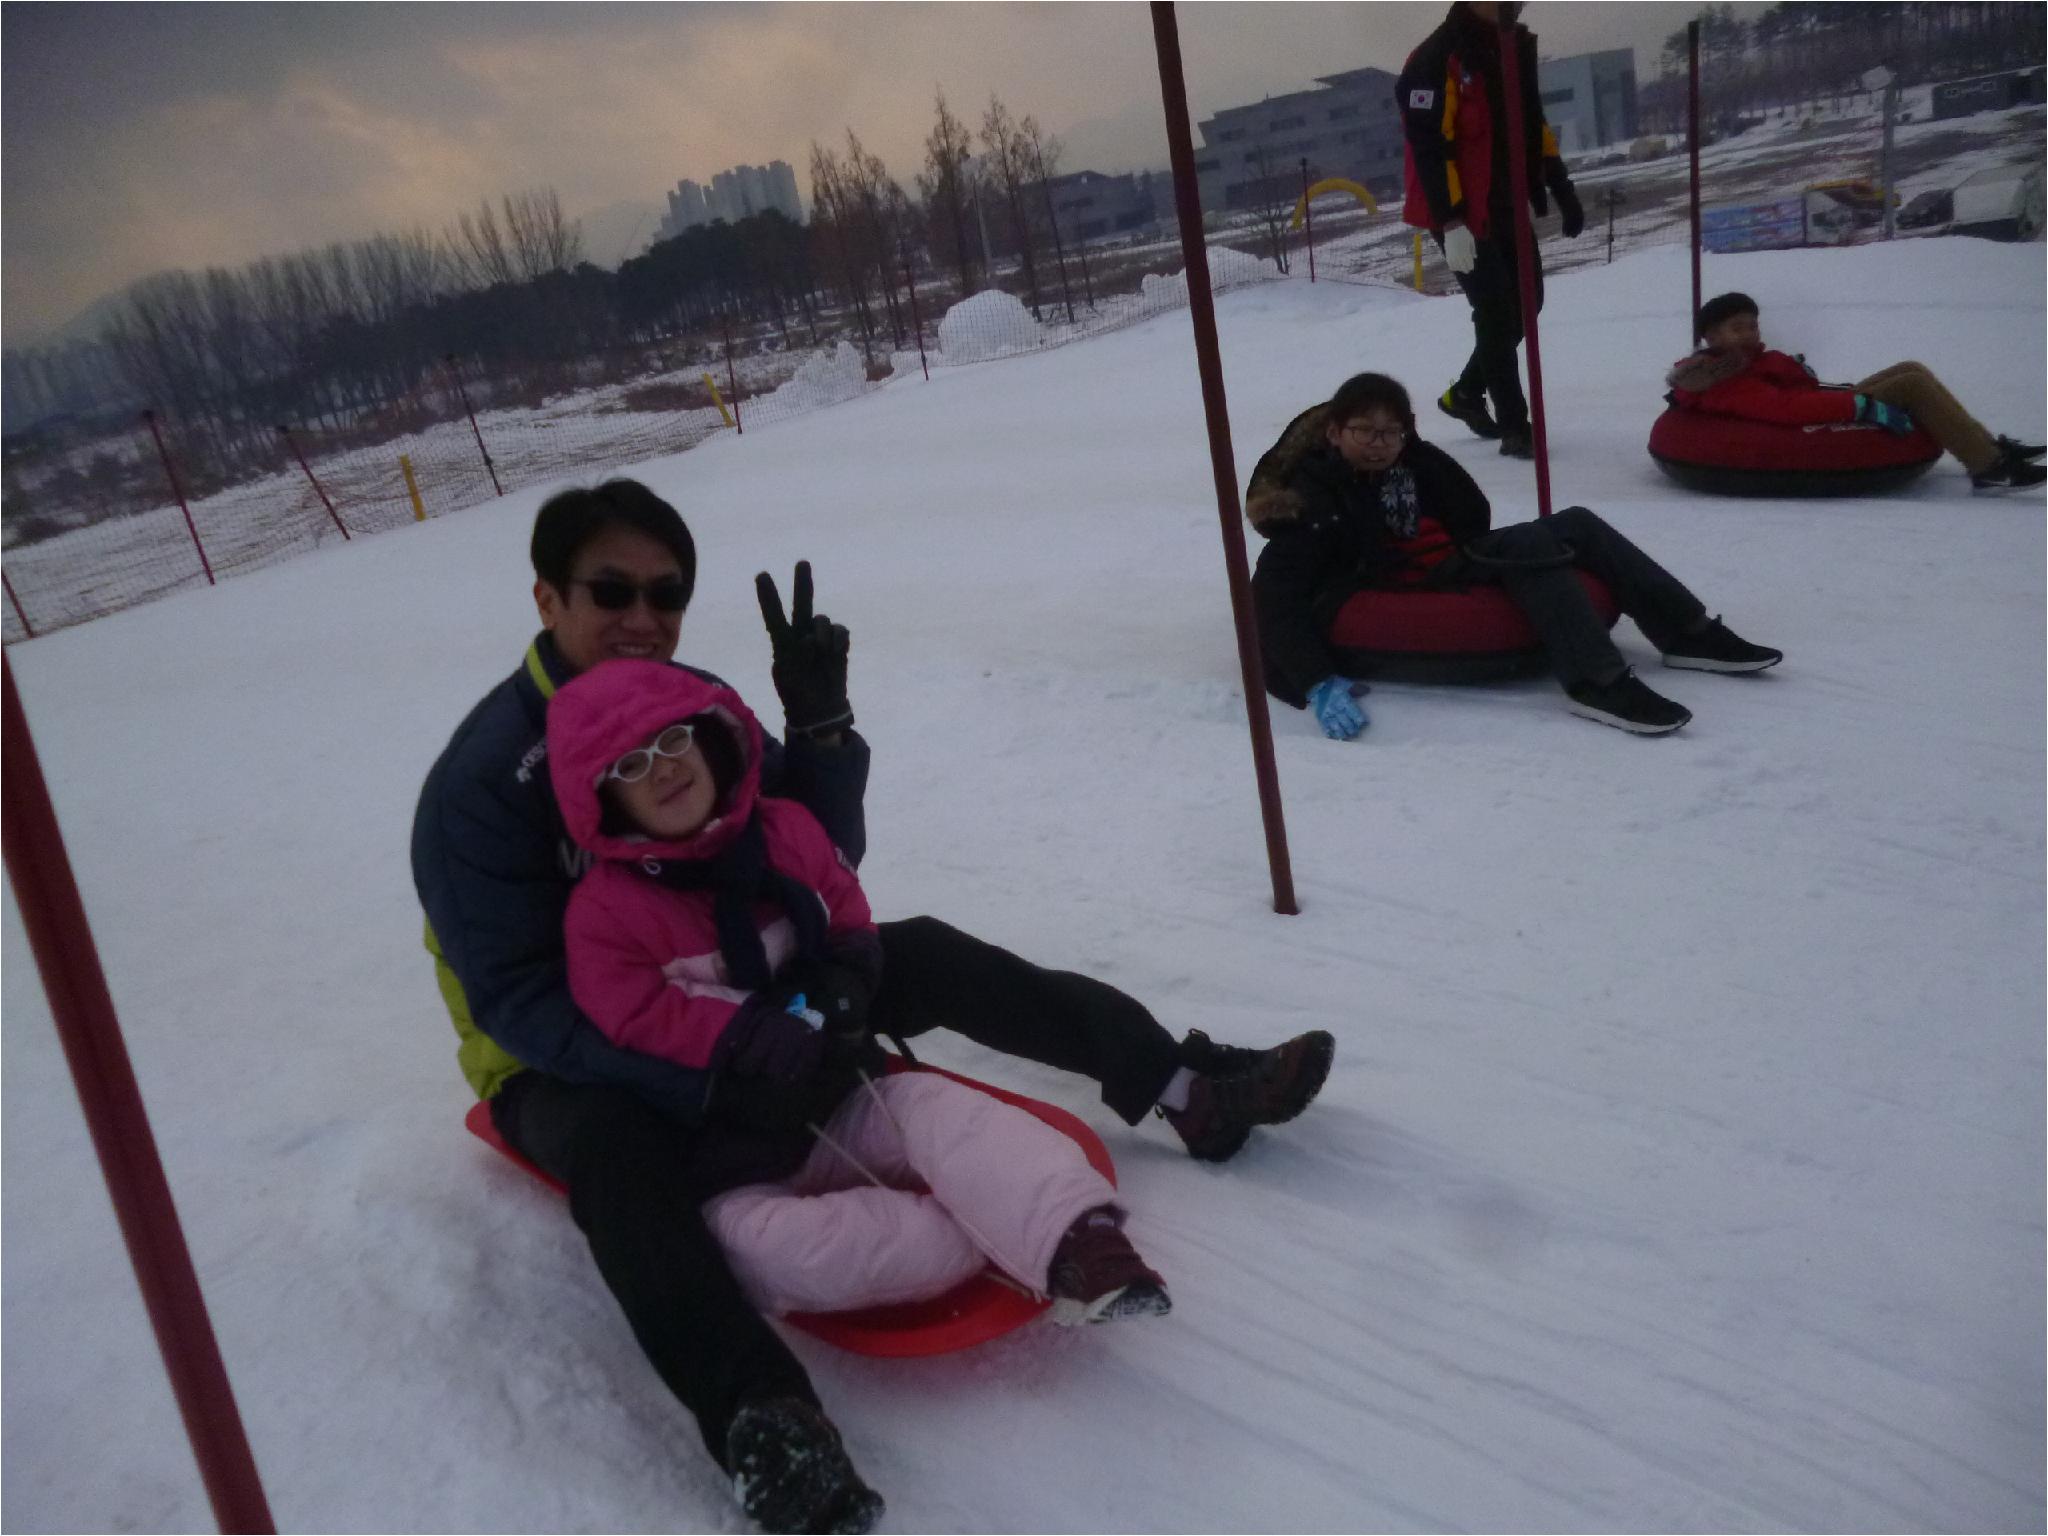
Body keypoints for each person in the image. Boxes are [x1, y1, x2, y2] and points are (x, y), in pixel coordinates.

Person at [411, 480, 1332, 1531]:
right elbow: (522, 1004)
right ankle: (766, 1423)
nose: (642, 617)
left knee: (926, 953)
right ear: (545, 598)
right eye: (609, 589)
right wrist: (721, 1061)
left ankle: (1186, 1090)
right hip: (565, 1050)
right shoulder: (483, 784)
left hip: (740, 974)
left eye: (665, 593)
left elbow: (805, 848)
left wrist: (822, 734)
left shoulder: (681, 699)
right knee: (621, 1161)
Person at [549, 658, 1171, 1341]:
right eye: (633, 765)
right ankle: (969, 1231)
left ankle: (1081, 1249)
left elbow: (845, 909)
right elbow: (630, 1010)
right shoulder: (605, 913)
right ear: (607, 799)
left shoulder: (784, 831)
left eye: (671, 743)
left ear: (710, 740)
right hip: (721, 1155)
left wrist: (846, 977)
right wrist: (740, 1033)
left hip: (838, 1093)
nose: (663, 769)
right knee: (782, 1253)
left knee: (957, 1119)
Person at [1247, 373, 1784, 737]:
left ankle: (1687, 632)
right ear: (1335, 433)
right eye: (1363, 431)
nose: (1378, 442)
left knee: (1576, 523)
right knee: (1528, 544)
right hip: (1396, 585)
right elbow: (1274, 595)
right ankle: (1597, 683)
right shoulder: (1313, 497)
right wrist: (1314, 677)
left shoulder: (1412, 466)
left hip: (1449, 561)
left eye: (1391, 431)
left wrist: (1416, 453)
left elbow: (1471, 513)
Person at [1397, 0, 1585, 460]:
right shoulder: (1435, 58)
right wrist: (1452, 221)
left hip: (1506, 203)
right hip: (1461, 207)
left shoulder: (1512, 46)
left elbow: (1533, 123)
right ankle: (1514, 425)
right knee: (1498, 312)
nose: (1514, 4)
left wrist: (1562, 188)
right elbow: (1429, 147)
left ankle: (1464, 393)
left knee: (1528, 302)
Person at [1670, 291, 2047, 491]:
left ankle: (1987, 445)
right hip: (1815, 415)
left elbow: (1797, 386)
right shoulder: (1723, 378)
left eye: (1752, 325)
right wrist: (1862, 406)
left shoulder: (1748, 360)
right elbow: (1786, 408)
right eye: (1738, 328)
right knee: (1911, 385)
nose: (1750, 333)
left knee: (1910, 368)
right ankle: (1988, 466)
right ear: (1712, 337)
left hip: (1821, 400)